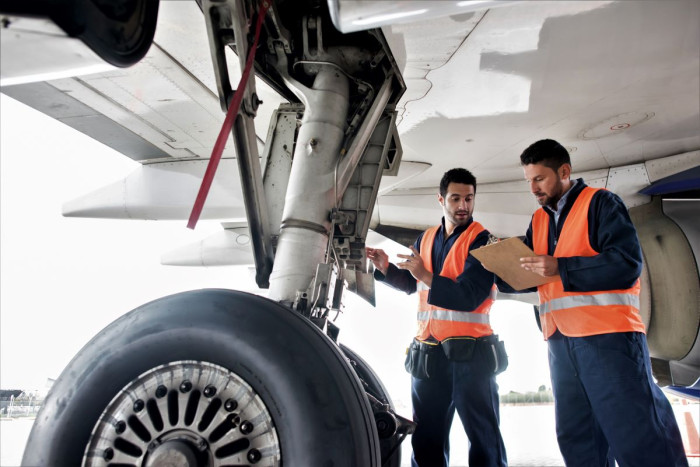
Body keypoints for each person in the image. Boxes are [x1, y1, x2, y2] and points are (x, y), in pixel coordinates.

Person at [497, 138, 687, 467]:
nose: (533, 188)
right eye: (529, 180)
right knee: (577, 438)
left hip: (609, 340)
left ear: (564, 171)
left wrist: (562, 267)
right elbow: (530, 272)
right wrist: (498, 265)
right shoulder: (539, 220)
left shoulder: (601, 204)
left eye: (539, 179)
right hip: (560, 343)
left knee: (637, 434)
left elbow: (626, 265)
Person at [366, 168, 507, 467]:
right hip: (428, 356)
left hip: (472, 358)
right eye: (456, 198)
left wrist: (425, 275)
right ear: (440, 199)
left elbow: (469, 296)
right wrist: (386, 268)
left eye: (469, 199)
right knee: (426, 439)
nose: (463, 206)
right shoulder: (426, 238)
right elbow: (413, 284)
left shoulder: (484, 242)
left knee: (484, 441)